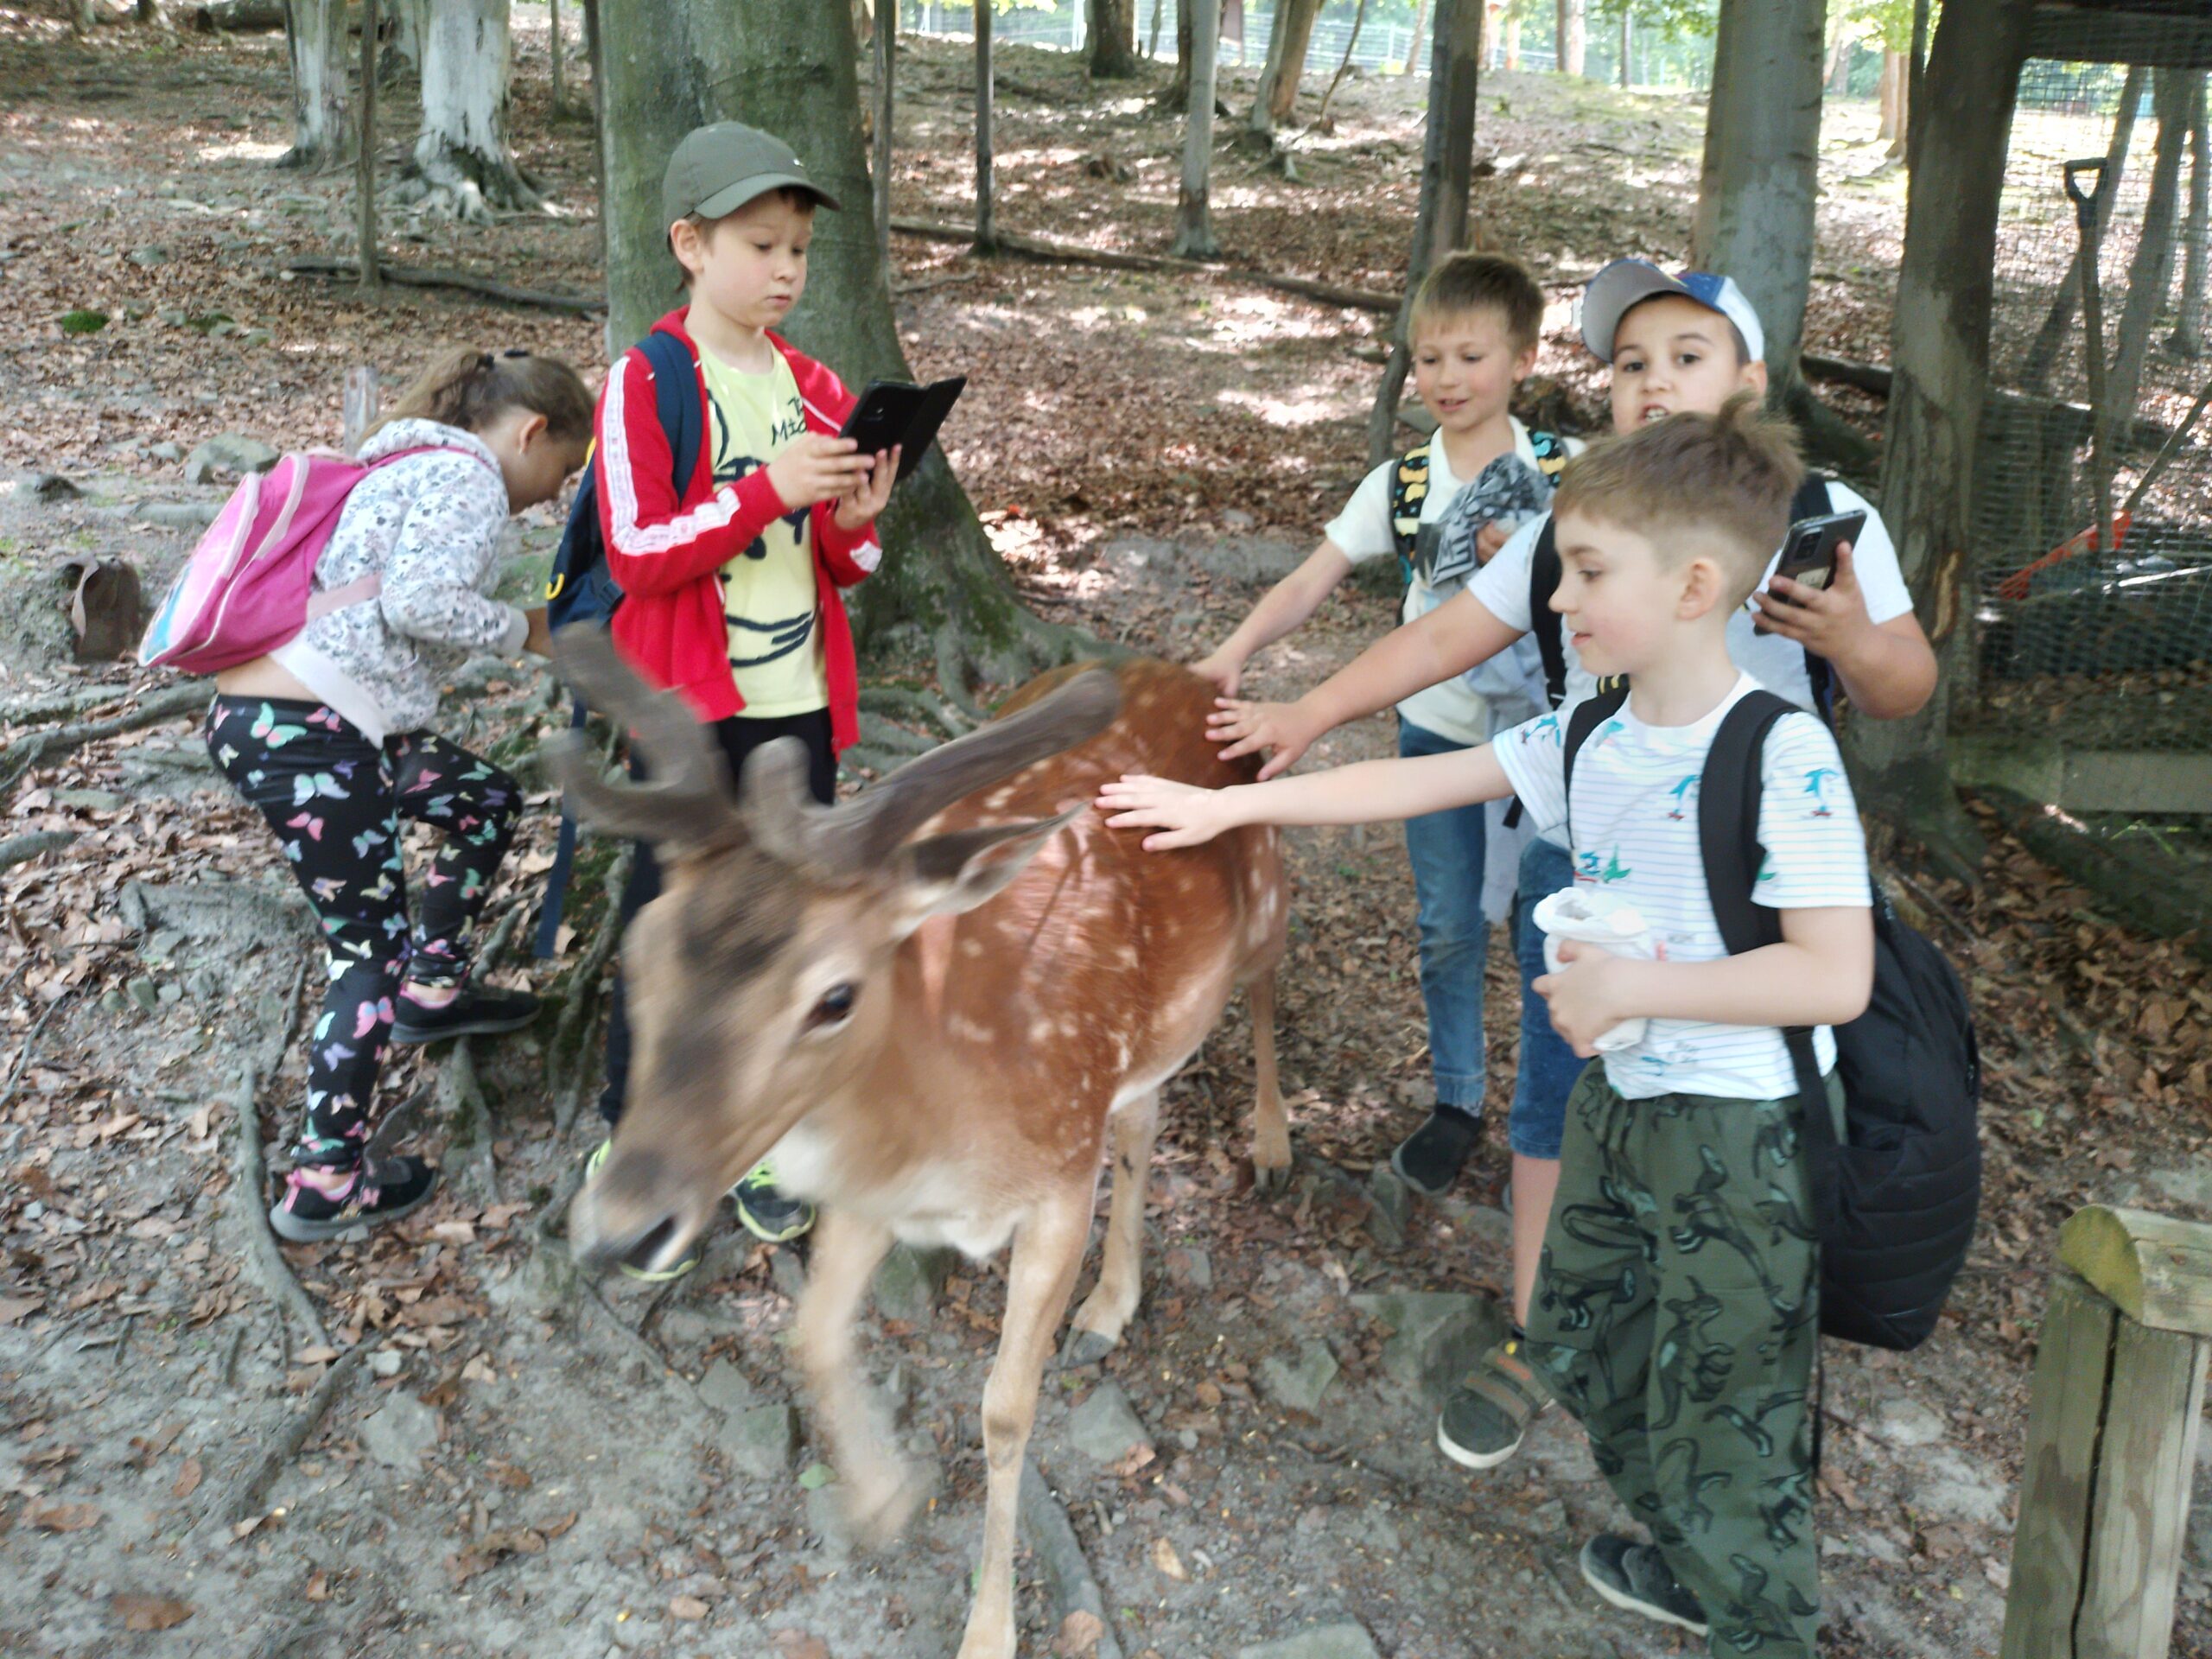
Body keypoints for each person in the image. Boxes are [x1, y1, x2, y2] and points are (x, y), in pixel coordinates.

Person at [1099, 398, 1874, 1658]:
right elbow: (1414, 779)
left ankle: (1753, 1615)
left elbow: (1834, 977)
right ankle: (1691, 1552)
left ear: (1691, 584)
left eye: (1585, 572)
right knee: (1587, 1339)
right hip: (1623, 1112)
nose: (1555, 600)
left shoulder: (1782, 755)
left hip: (1751, 1136)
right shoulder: (1590, 733)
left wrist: (1635, 994)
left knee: (1737, 1405)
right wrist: (1231, 812)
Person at [1204, 259, 1936, 1472]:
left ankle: (1720, 1352)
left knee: (1751, 1112)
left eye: (1688, 357)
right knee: (1562, 1096)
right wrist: (1308, 713)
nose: (1654, 383)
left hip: (1757, 888)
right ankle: (1541, 1333)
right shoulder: (1577, 513)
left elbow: (1904, 683)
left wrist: (1852, 637)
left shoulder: (1822, 516)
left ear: (1750, 379)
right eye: (1632, 364)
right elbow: (1454, 630)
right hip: (1585, 858)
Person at [1190, 252, 1574, 1201]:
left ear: (1523, 358)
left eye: (1470, 357)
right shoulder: (1401, 486)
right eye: (1428, 359)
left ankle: (1556, 1109)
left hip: (1554, 746)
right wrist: (1233, 650)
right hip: (1439, 736)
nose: (1446, 379)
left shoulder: (1569, 476)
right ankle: (1456, 1101)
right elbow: (1308, 580)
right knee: (1447, 924)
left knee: (1551, 926)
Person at [589, 121, 896, 1264]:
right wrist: (766, 489)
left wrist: (855, 524)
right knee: (666, 930)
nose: (785, 271)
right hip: (687, 723)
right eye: (760, 245)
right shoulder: (649, 380)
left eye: (799, 252)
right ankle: (633, 1131)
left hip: (797, 711)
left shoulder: (815, 386)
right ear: (688, 244)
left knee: (784, 935)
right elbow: (637, 552)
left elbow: (838, 567)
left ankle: (761, 1138)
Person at [207, 346, 595, 1243]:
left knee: (483, 801)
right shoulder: (467, 477)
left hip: (310, 722)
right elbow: (422, 604)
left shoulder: (400, 460)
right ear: (531, 432)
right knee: (365, 951)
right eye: (562, 469)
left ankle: (435, 989)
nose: (554, 492)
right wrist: (523, 632)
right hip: (311, 736)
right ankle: (325, 1180)